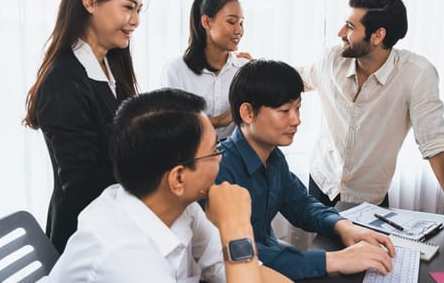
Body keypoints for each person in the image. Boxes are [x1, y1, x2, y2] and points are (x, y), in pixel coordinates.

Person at [45, 88, 291, 283]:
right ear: (178, 178)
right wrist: (236, 226)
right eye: (214, 151)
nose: (220, 158)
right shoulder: (125, 260)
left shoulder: (177, 203)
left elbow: (228, 267)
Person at [214, 59, 395, 281]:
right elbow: (237, 256)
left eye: (298, 108)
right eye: (284, 111)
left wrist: (343, 226)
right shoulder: (219, 172)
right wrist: (336, 260)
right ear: (248, 113)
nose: (296, 120)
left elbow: (301, 204)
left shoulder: (273, 157)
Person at [23, 0, 144, 253]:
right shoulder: (63, 81)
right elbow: (82, 186)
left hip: (116, 225)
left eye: (139, 9)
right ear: (89, 1)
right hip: (84, 238)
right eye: (128, 7)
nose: (136, 20)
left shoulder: (113, 67)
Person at [299, 0, 444, 207]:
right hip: (323, 183)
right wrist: (253, 67)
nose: (340, 32)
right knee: (321, 243)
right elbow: (297, 78)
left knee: (369, 242)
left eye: (350, 27)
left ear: (378, 36)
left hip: (368, 199)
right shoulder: (331, 59)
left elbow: (435, 144)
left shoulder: (416, 74)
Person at [162, 0, 250, 141]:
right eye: (231, 22)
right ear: (207, 22)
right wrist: (220, 120)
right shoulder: (176, 69)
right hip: (188, 156)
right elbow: (171, 127)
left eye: (241, 23)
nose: (239, 31)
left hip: (234, 158)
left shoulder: (244, 69)